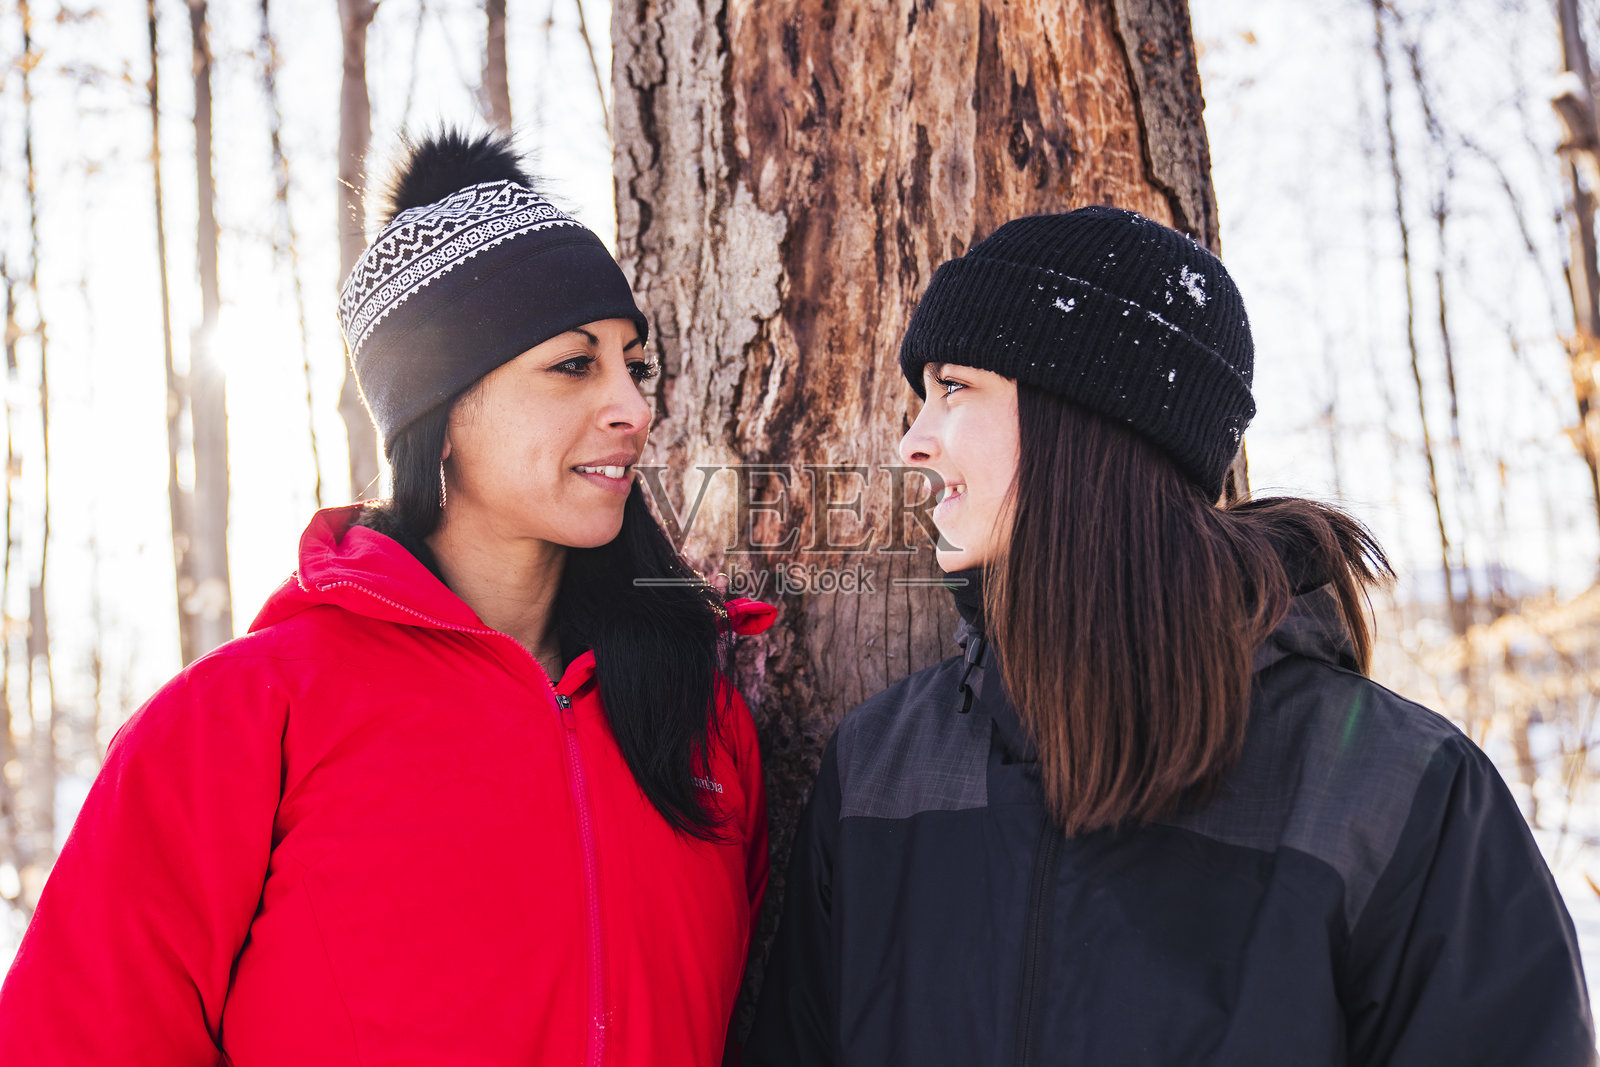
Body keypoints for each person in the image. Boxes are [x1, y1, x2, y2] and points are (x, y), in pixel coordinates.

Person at [746, 207, 1595, 1065]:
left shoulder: (1396, 791)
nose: (912, 441)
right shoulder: (881, 767)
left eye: (954, 387)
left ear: (1087, 415)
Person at [0, 130, 772, 1066]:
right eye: (575, 364)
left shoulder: (702, 720)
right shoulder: (245, 719)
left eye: (632, 365)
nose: (634, 408)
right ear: (442, 411)